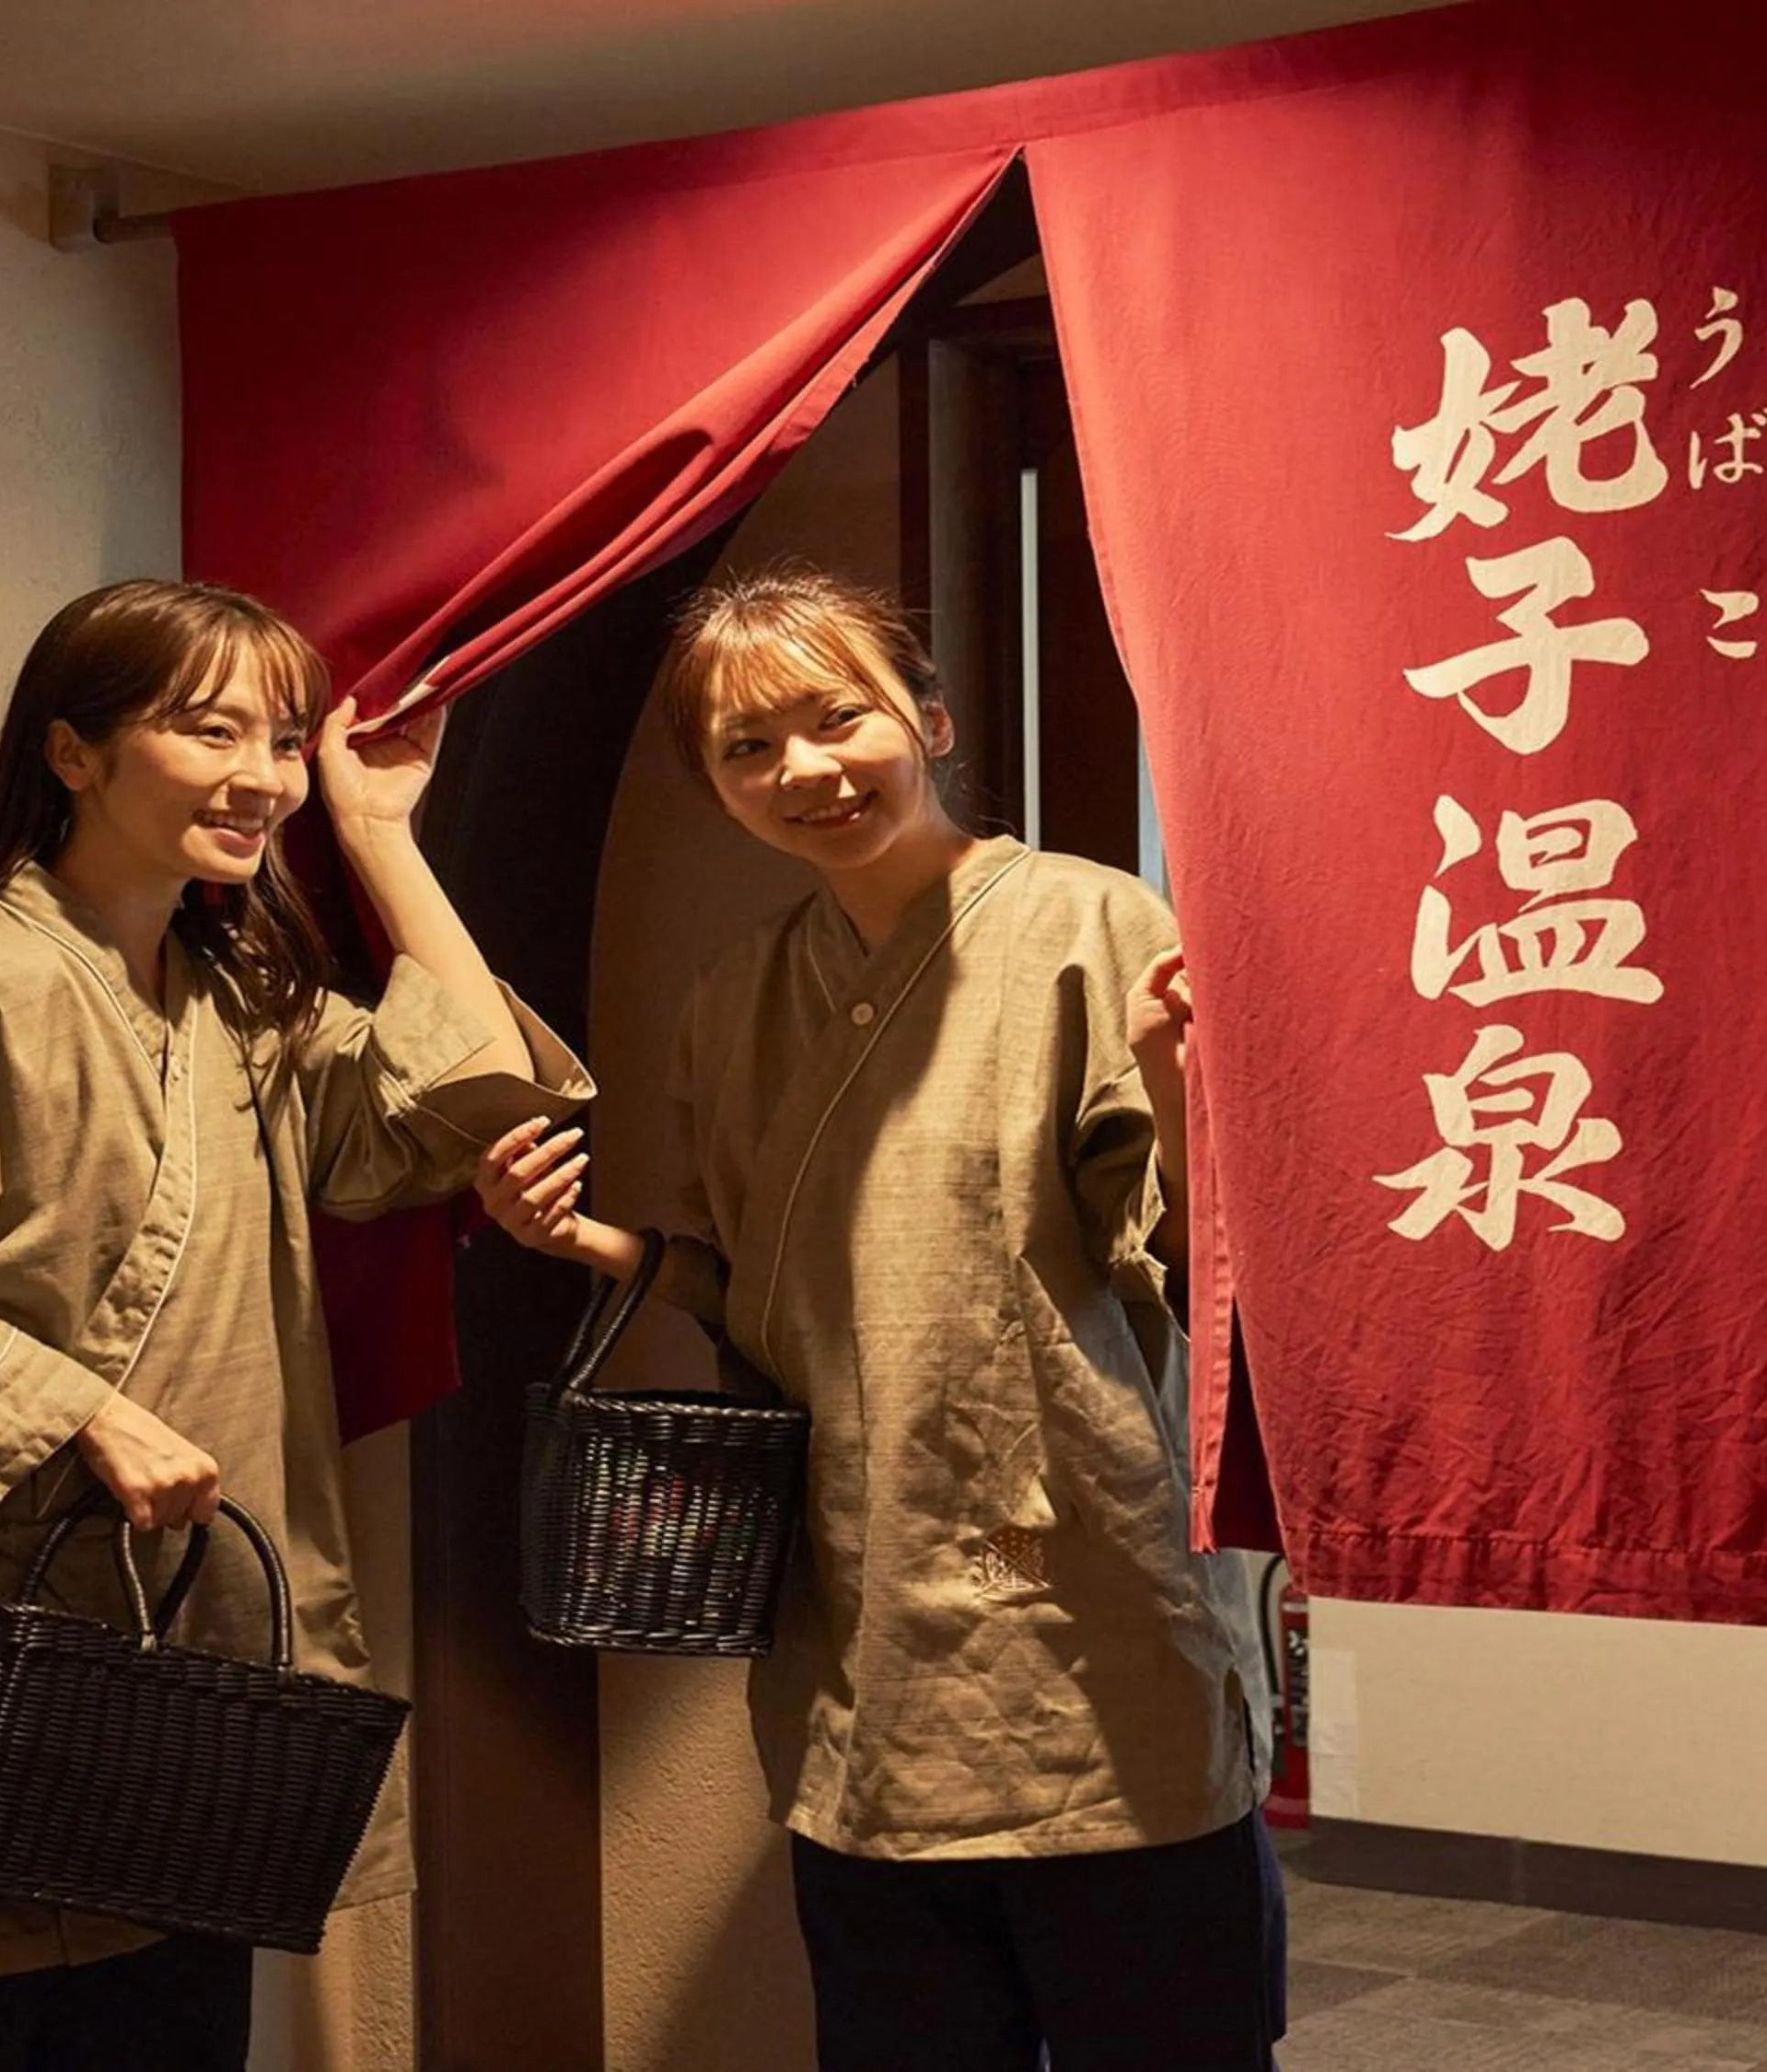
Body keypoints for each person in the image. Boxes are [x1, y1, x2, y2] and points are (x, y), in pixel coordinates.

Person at [0, 578, 587, 2070]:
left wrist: (378, 832)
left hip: (193, 1677)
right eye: (208, 727)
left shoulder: (247, 998)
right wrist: (76, 1407)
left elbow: (471, 1098)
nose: (261, 771)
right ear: (71, 752)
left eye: (284, 737)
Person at [475, 562, 1285, 2071]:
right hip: (862, 1628)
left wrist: (1183, 1095)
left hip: (1090, 1607)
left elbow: (1193, 1267)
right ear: (717, 788)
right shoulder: (736, 1001)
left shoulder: (1087, 925)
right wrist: (587, 1239)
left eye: (835, 716)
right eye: (748, 748)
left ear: (928, 715)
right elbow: (763, 1301)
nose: (805, 769)